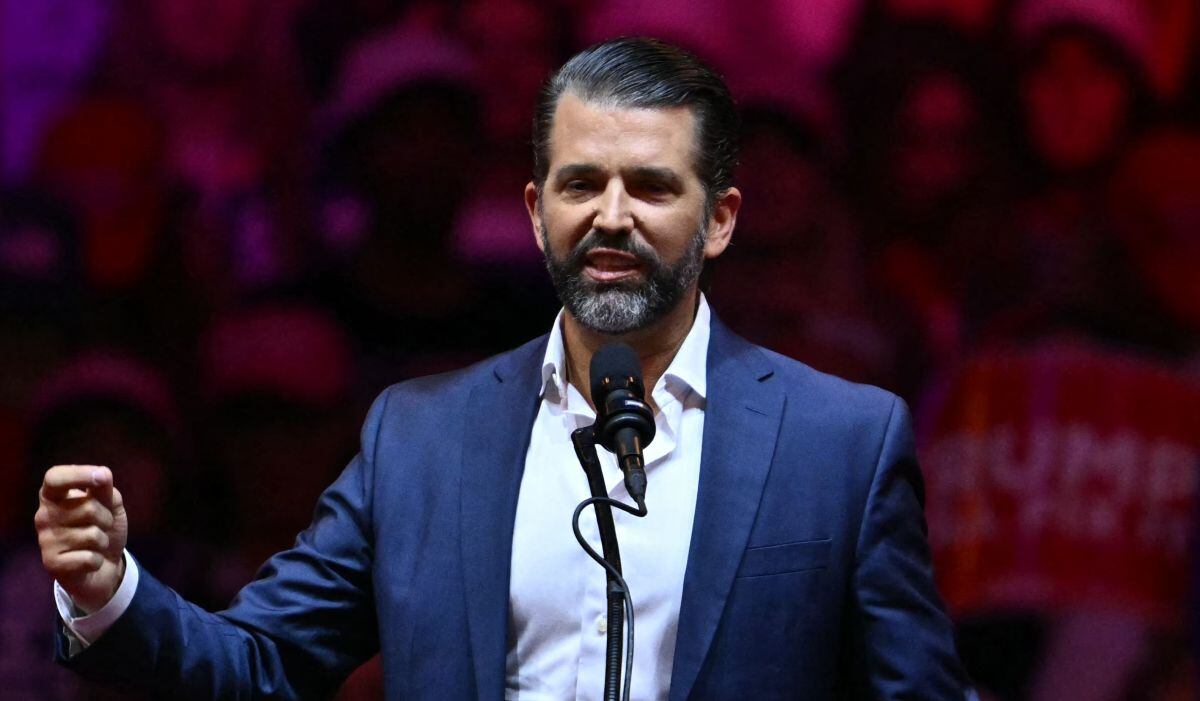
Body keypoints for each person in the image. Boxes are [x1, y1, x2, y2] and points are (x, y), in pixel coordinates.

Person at [34, 37, 968, 700]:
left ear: (720, 218)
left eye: (649, 185)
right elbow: (262, 660)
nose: (610, 216)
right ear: (532, 212)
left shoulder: (840, 439)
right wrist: (109, 588)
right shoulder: (421, 436)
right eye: (579, 183)